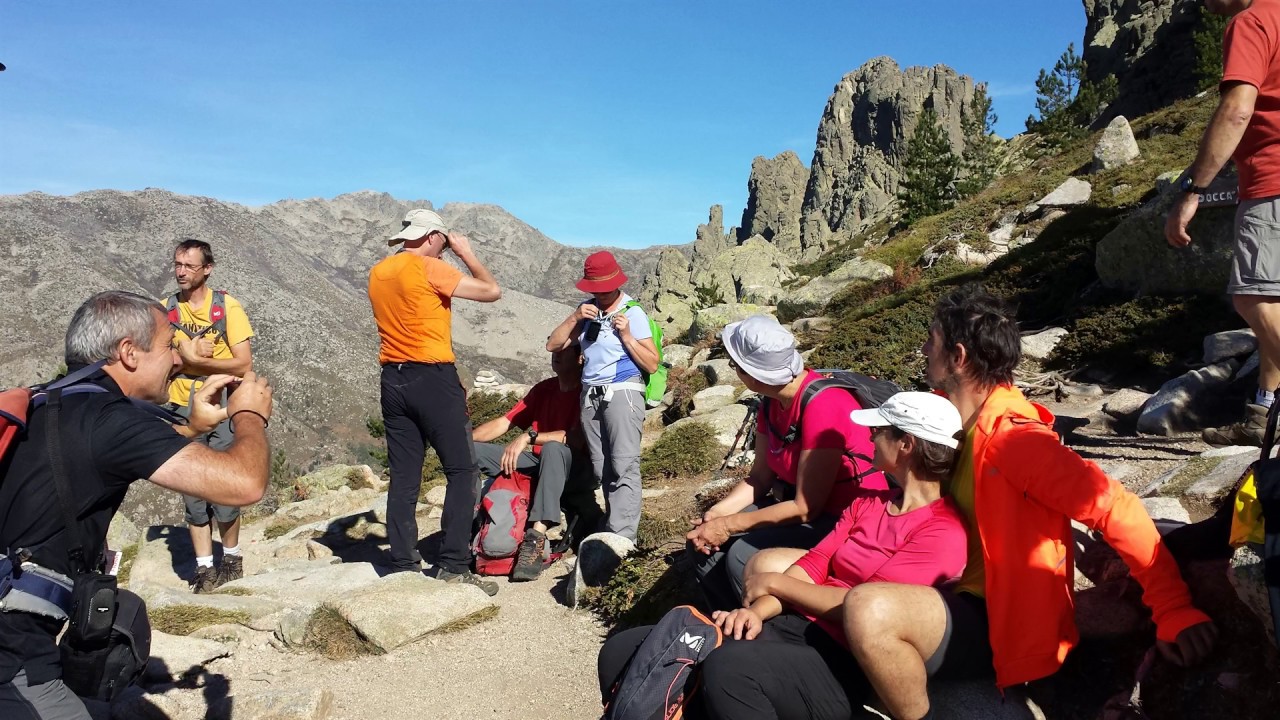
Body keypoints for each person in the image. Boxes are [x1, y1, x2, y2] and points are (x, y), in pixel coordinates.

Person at [838, 286, 1217, 720]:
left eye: (932, 341)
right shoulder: (950, 420)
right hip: (944, 586)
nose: (923, 349)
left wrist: (1172, 607)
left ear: (958, 357)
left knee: (869, 609)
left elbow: (1117, 508)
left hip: (995, 619)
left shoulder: (1014, 441)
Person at [597, 391, 968, 720]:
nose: (870, 435)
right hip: (788, 628)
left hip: (840, 660)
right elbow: (815, 563)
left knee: (729, 669)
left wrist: (775, 583)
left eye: (881, 430)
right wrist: (754, 613)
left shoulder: (942, 532)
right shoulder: (869, 504)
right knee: (625, 649)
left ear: (906, 445)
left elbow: (861, 607)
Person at [0, 290, 273, 720]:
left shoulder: (51, 401)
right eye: (169, 347)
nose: (179, 360)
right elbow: (244, 484)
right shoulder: (110, 419)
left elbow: (105, 453)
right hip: (12, 650)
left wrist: (193, 427)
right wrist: (249, 416)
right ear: (129, 352)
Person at [686, 315, 887, 610]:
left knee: (741, 554)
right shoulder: (772, 401)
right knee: (702, 549)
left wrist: (730, 525)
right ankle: (726, 622)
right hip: (807, 510)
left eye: (734, 365)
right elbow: (760, 478)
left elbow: (807, 507)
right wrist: (717, 514)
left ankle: (761, 630)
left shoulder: (824, 406)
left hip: (847, 521)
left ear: (751, 374)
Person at [368, 208, 502, 595]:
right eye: (443, 241)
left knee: (405, 475)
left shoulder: (379, 272)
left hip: (392, 380)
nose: (444, 247)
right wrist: (467, 253)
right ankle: (453, 565)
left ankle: (403, 564)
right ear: (431, 237)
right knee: (462, 471)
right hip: (433, 376)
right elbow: (491, 291)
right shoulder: (429, 267)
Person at [1166, 0, 1278, 446]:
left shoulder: (1252, 21)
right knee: (1274, 303)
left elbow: (1237, 109)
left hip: (1273, 182)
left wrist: (1193, 190)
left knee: (1253, 296)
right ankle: (1263, 415)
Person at [164, 239, 257, 593]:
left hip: (219, 409)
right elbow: (156, 360)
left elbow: (244, 362)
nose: (181, 272)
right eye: (177, 264)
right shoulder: (165, 311)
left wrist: (196, 360)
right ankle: (204, 568)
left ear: (207, 268)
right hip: (179, 406)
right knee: (191, 489)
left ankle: (231, 557)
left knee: (224, 488)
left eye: (188, 266)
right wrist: (181, 350)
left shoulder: (228, 308)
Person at [546, 251, 658, 542]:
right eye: (595, 288)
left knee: (623, 463)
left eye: (605, 287)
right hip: (591, 395)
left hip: (622, 391)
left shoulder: (633, 312)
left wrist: (628, 337)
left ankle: (623, 538)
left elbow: (652, 363)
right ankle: (613, 527)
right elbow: (553, 345)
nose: (601, 293)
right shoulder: (587, 311)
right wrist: (574, 317)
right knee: (602, 466)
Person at [471, 344, 591, 581]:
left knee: (554, 449)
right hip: (537, 462)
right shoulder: (545, 389)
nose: (556, 354)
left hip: (575, 467)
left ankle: (535, 540)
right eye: (555, 349)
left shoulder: (586, 391)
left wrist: (530, 437)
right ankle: (471, 526)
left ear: (580, 357)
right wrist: (460, 441)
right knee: (468, 452)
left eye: (564, 350)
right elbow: (505, 423)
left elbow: (578, 438)